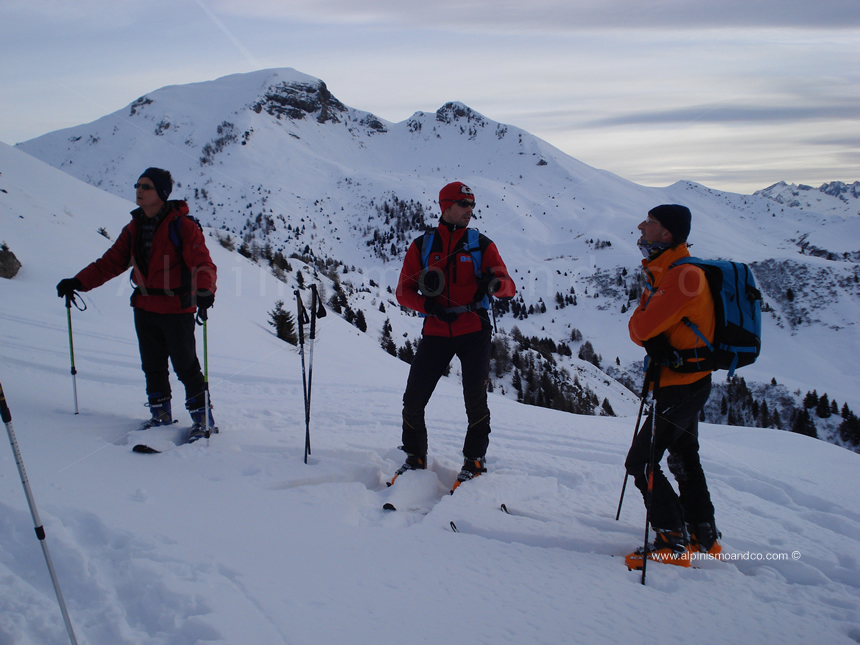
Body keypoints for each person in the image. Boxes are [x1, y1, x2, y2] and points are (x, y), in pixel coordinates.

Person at [56, 168, 217, 439]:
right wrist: (78, 282)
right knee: (152, 365)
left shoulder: (183, 226)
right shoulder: (134, 228)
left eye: (146, 187)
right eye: (138, 185)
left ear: (162, 194)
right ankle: (160, 416)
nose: (139, 190)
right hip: (144, 306)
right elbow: (110, 263)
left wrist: (204, 291)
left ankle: (204, 421)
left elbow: (203, 262)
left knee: (186, 366)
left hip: (177, 307)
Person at [392, 181, 516, 489]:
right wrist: (426, 304)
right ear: (446, 206)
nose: (470, 211)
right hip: (436, 329)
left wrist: (495, 284)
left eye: (472, 205)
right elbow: (403, 292)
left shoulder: (481, 244)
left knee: (475, 399)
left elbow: (509, 287)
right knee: (413, 399)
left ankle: (474, 461)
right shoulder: (422, 246)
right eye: (464, 205)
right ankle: (414, 456)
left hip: (474, 329)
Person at [624, 204, 722, 569]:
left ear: (666, 234)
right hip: (689, 383)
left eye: (649, 222)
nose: (641, 226)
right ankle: (703, 534)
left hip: (679, 386)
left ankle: (671, 538)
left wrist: (647, 320)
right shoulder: (671, 270)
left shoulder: (682, 276)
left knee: (640, 462)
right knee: (683, 455)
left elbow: (639, 329)